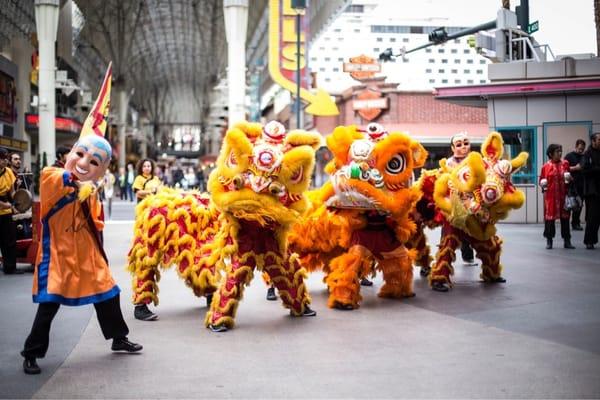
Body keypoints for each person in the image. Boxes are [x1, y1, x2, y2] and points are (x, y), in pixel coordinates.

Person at [21, 64, 142, 375]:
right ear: (71, 153)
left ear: (102, 169)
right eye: (81, 155)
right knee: (49, 304)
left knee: (109, 293)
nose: (85, 163)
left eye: (95, 162)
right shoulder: (52, 175)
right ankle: (31, 353)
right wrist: (81, 187)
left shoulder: (94, 191)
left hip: (86, 255)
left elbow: (97, 224)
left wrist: (92, 194)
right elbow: (63, 181)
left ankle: (119, 338)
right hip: (58, 254)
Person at [446, 132, 476, 265]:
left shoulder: (475, 160)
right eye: (459, 144)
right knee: (449, 233)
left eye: (466, 143)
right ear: (453, 148)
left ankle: (468, 255)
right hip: (455, 202)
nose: (463, 147)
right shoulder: (449, 163)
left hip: (473, 201)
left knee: (474, 231)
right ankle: (445, 262)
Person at [539, 144, 575, 250]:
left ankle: (567, 241)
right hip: (551, 197)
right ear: (551, 154)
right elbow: (541, 180)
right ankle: (549, 240)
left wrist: (569, 179)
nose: (560, 153)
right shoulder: (546, 166)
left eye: (561, 151)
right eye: (557, 151)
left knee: (565, 218)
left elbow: (570, 179)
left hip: (563, 196)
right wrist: (543, 183)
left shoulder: (565, 164)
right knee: (550, 220)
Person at [0, 147, 23, 274]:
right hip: (2, 205)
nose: (4, 161)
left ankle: (10, 267)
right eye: (2, 159)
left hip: (6, 211)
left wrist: (17, 202)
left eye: (5, 159)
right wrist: (5, 205)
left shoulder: (8, 172)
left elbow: (12, 191)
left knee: (9, 240)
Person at [581, 133, 600, 250]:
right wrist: (597, 169)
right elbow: (585, 169)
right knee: (592, 217)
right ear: (593, 141)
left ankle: (593, 240)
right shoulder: (587, 154)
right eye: (599, 139)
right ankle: (589, 241)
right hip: (592, 191)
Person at [564, 139, 586, 230]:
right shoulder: (569, 156)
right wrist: (575, 168)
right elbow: (564, 168)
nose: (581, 151)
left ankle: (576, 223)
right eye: (579, 148)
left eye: (582, 149)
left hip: (582, 184)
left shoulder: (584, 156)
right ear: (576, 146)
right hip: (571, 185)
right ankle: (567, 223)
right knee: (570, 204)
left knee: (579, 205)